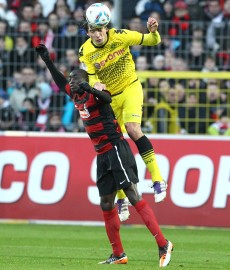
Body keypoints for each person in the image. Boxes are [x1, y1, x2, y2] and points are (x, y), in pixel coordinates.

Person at [35, 43, 174, 267]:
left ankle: (163, 243)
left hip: (116, 148)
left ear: (85, 80)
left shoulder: (97, 93)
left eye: (75, 77)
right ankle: (118, 254)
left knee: (132, 194)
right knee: (105, 202)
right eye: (71, 78)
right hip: (101, 155)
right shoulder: (76, 96)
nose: (71, 81)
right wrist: (47, 61)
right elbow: (60, 82)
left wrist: (90, 87)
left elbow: (108, 99)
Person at [79, 3, 167, 222]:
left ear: (106, 28)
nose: (98, 34)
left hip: (130, 88)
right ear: (88, 31)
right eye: (93, 30)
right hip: (110, 99)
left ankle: (157, 179)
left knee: (132, 129)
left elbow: (152, 41)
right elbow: (91, 78)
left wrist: (153, 31)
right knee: (112, 143)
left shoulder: (122, 36)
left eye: (101, 29)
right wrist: (95, 85)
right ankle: (121, 197)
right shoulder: (85, 51)